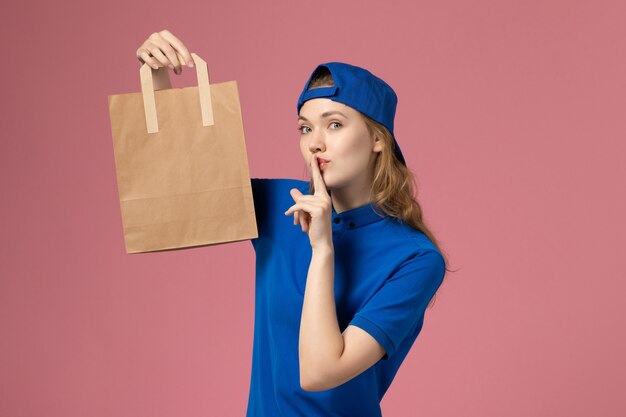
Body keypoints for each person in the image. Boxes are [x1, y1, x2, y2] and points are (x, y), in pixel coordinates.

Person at [137, 29, 451, 417]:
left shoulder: (415, 258)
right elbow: (179, 193)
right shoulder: (280, 205)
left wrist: (322, 248)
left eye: (334, 124)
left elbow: (320, 372)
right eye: (306, 128)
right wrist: (159, 78)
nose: (315, 143)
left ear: (377, 139)